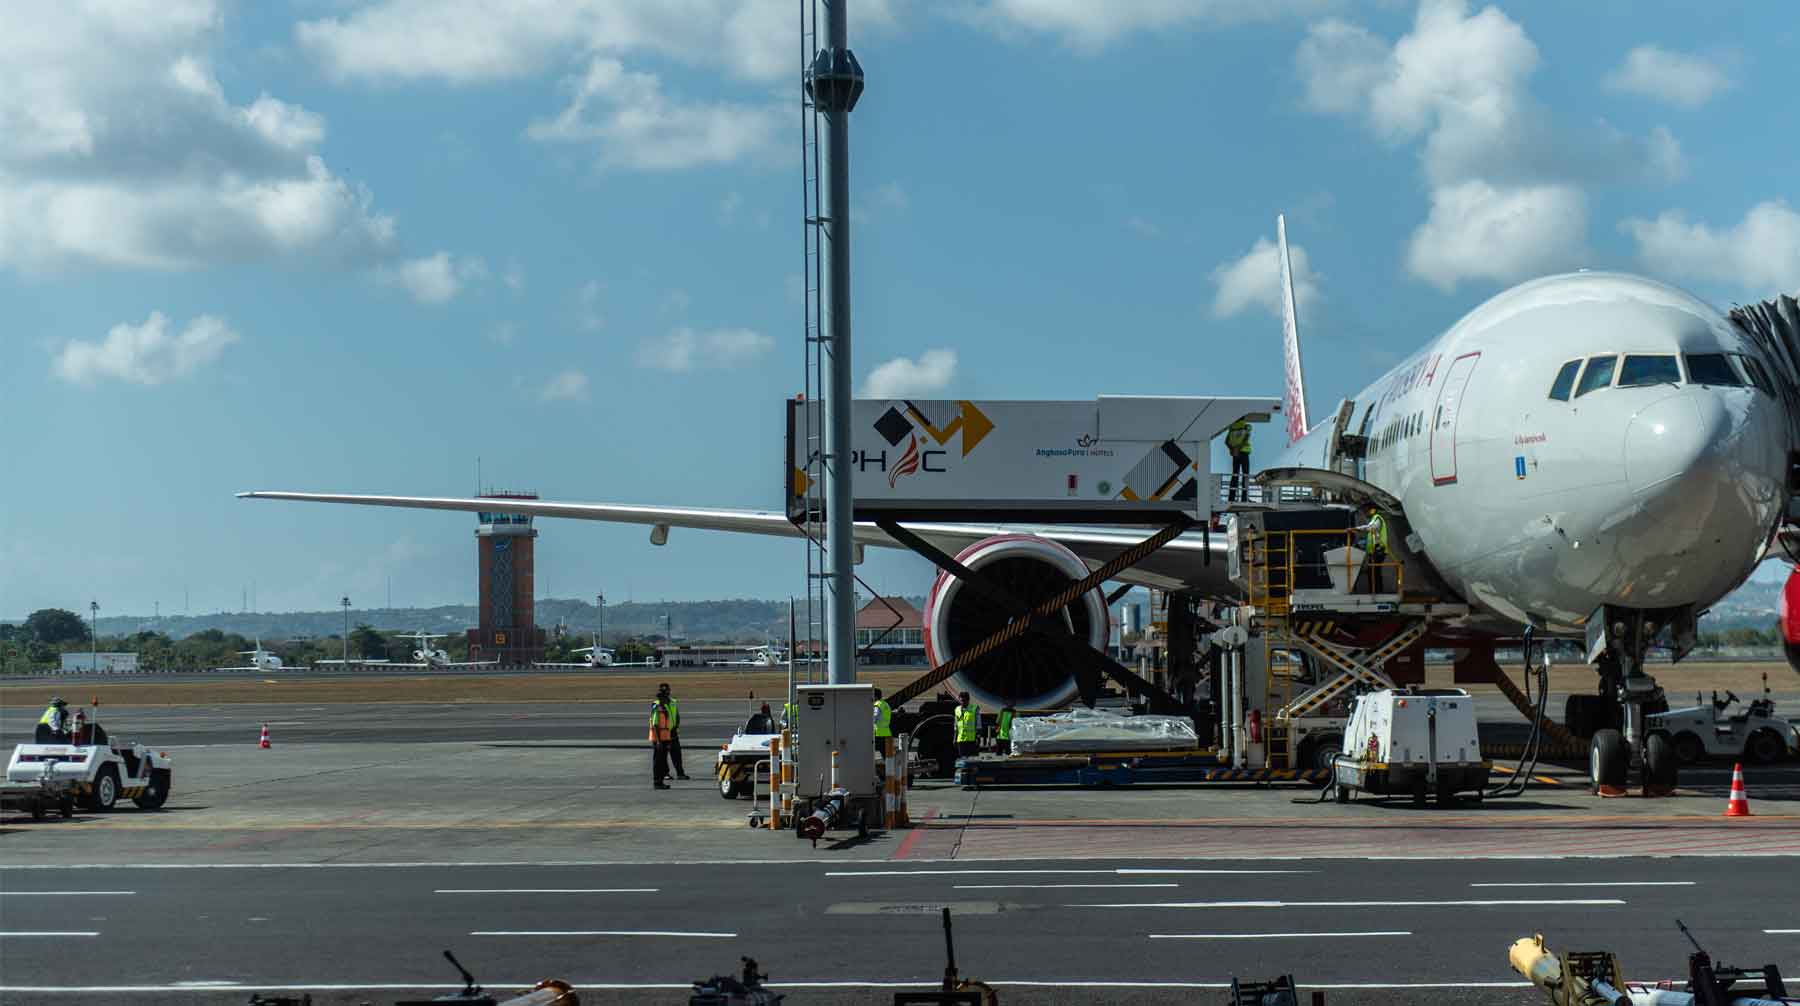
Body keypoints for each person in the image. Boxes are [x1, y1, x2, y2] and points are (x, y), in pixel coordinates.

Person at [1354, 504, 1391, 594]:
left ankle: (1376, 592)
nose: (1365, 512)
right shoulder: (1374, 519)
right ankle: (1374, 591)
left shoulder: (1377, 518)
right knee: (1373, 571)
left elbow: (1371, 528)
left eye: (1367, 510)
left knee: (1374, 571)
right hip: (1374, 551)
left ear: (1372, 510)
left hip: (1378, 551)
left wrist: (1355, 529)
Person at [658, 683, 689, 780]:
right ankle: (665, 773)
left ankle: (680, 773)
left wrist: (676, 726)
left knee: (677, 754)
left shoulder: (673, 702)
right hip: (663, 732)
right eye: (665, 691)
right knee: (663, 755)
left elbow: (677, 715)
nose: (667, 692)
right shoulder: (657, 703)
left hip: (673, 731)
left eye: (667, 690)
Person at [648, 691, 675, 789]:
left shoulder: (664, 708)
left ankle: (660, 781)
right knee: (658, 761)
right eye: (667, 698)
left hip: (664, 739)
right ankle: (657, 782)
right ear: (662, 699)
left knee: (662, 761)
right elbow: (655, 725)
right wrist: (659, 741)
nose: (669, 700)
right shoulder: (657, 709)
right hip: (658, 740)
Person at [1225, 419, 1252, 502]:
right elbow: (1245, 439)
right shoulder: (1246, 426)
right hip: (1244, 452)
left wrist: (1232, 449)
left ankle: (1231, 498)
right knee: (1245, 475)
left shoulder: (1231, 428)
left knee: (1235, 475)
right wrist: (1238, 448)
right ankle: (1244, 498)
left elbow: (1226, 441)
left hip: (1235, 454)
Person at [953, 691, 981, 762]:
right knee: (963, 760)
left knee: (972, 761)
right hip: (961, 740)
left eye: (964, 701)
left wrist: (978, 737)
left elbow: (978, 725)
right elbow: (956, 725)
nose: (962, 702)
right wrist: (954, 738)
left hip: (971, 740)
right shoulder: (957, 710)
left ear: (968, 700)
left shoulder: (974, 709)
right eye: (961, 700)